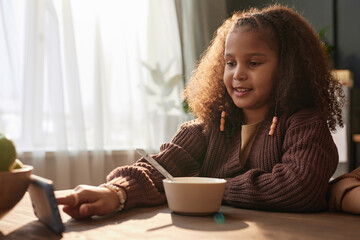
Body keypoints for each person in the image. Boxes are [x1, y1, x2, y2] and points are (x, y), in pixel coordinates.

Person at [56, 4, 346, 219]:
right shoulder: (206, 128)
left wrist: (209, 188)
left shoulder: (304, 124)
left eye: (254, 63)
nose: (238, 74)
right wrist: (115, 193)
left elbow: (300, 188)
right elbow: (157, 169)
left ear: (288, 69)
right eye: (230, 63)